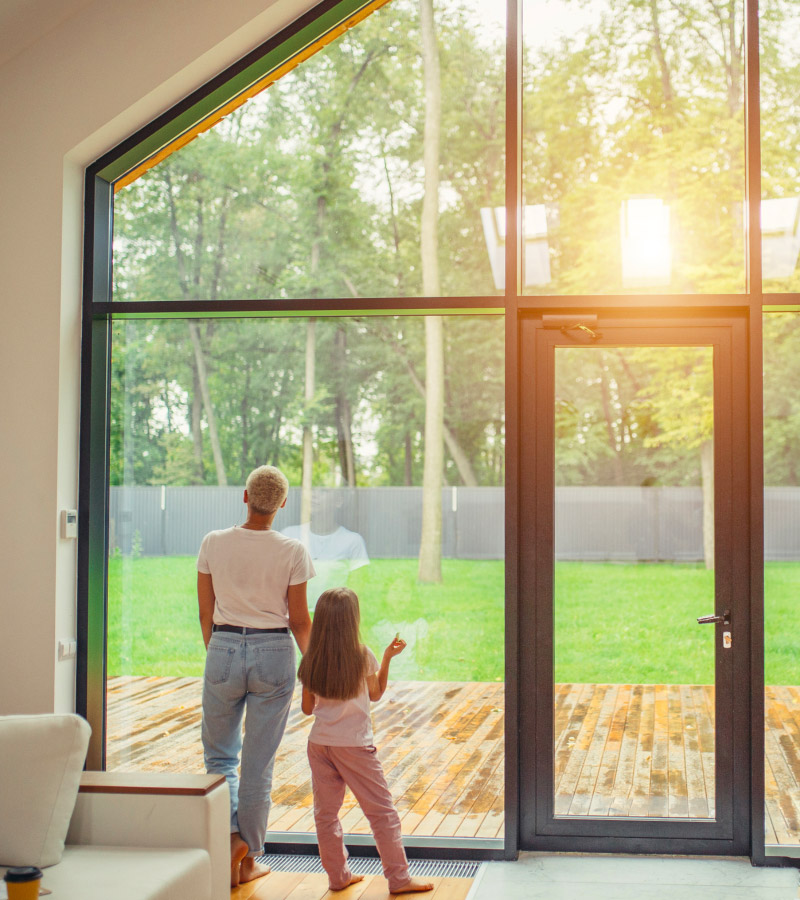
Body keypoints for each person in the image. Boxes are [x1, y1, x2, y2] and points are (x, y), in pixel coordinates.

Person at [197, 465, 315, 887]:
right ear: (282, 504)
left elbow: (205, 614)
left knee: (220, 757)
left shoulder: (213, 543)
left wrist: (220, 652)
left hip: (223, 646)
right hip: (274, 651)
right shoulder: (293, 551)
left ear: (244, 497)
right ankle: (248, 860)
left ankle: (230, 840)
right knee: (257, 763)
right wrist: (317, 670)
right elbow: (300, 620)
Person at [298, 587, 433, 895]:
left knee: (326, 815)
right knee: (382, 813)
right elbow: (375, 693)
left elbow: (308, 709)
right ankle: (399, 880)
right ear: (351, 620)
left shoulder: (310, 660)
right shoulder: (362, 655)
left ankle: (338, 877)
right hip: (354, 746)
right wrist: (386, 658)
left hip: (320, 745)